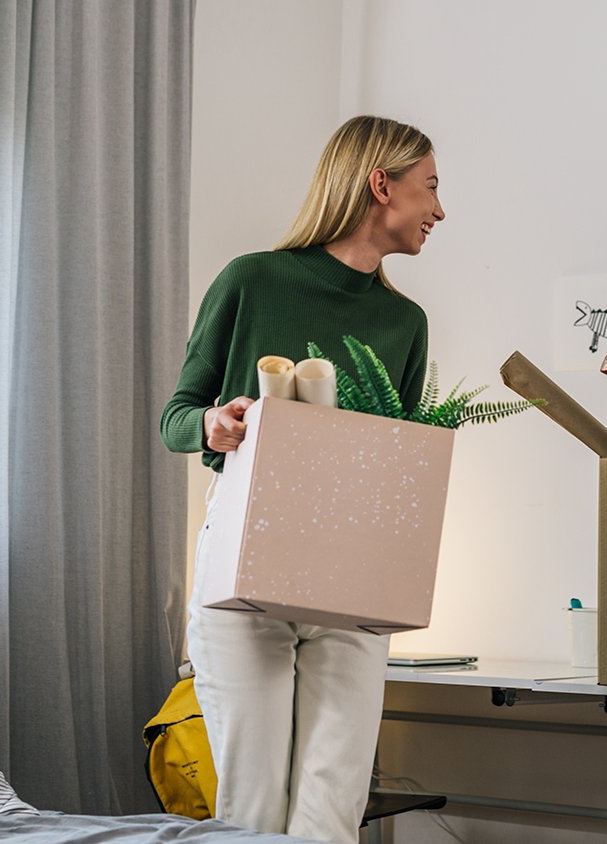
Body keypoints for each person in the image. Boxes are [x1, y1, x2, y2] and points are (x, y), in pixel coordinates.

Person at [159, 115, 443, 843]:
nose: (439, 210)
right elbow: (175, 418)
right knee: (250, 807)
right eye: (430, 188)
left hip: (351, 569)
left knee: (332, 808)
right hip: (244, 550)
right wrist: (215, 425)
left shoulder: (405, 322)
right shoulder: (252, 280)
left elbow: (393, 458)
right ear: (381, 184)